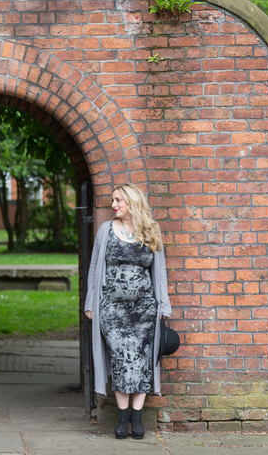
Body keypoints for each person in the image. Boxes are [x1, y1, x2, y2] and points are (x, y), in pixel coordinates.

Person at [84, 183, 171, 440]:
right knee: (121, 359)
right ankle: (122, 417)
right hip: (112, 310)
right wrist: (91, 303)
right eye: (113, 200)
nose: (114, 205)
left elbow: (160, 272)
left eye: (118, 200)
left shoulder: (150, 231)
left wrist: (163, 306)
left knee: (142, 360)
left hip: (144, 311)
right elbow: (94, 268)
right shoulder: (106, 230)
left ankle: (137, 417)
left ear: (132, 202)